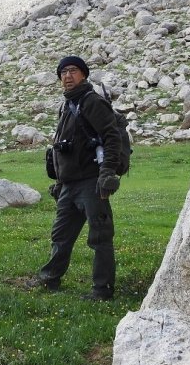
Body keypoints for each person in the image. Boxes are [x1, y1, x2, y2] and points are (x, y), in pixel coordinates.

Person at [29, 56, 121, 300]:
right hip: (69, 185)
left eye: (73, 71)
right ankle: (50, 277)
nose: (67, 76)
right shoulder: (68, 104)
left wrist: (107, 172)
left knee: (99, 237)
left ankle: (102, 289)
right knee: (61, 235)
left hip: (92, 182)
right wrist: (59, 182)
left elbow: (111, 137)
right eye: (63, 72)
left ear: (83, 75)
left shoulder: (92, 102)